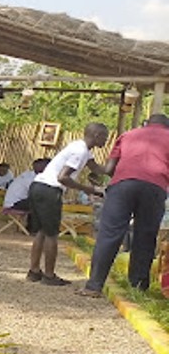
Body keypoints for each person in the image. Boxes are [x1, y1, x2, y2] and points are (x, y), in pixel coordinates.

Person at [78, 114, 169, 297]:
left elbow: (110, 169)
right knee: (145, 236)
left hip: (122, 186)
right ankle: (138, 289)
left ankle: (94, 286)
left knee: (109, 234)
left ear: (147, 123)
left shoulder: (128, 135)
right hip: (155, 187)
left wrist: (126, 179)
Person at [26, 122, 108, 285]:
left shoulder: (79, 147)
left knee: (42, 231)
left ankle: (34, 271)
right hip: (50, 190)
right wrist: (88, 189)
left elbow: (98, 169)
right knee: (51, 234)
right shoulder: (80, 151)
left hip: (37, 186)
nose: (106, 141)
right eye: (105, 137)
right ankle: (49, 276)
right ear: (97, 136)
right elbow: (63, 177)